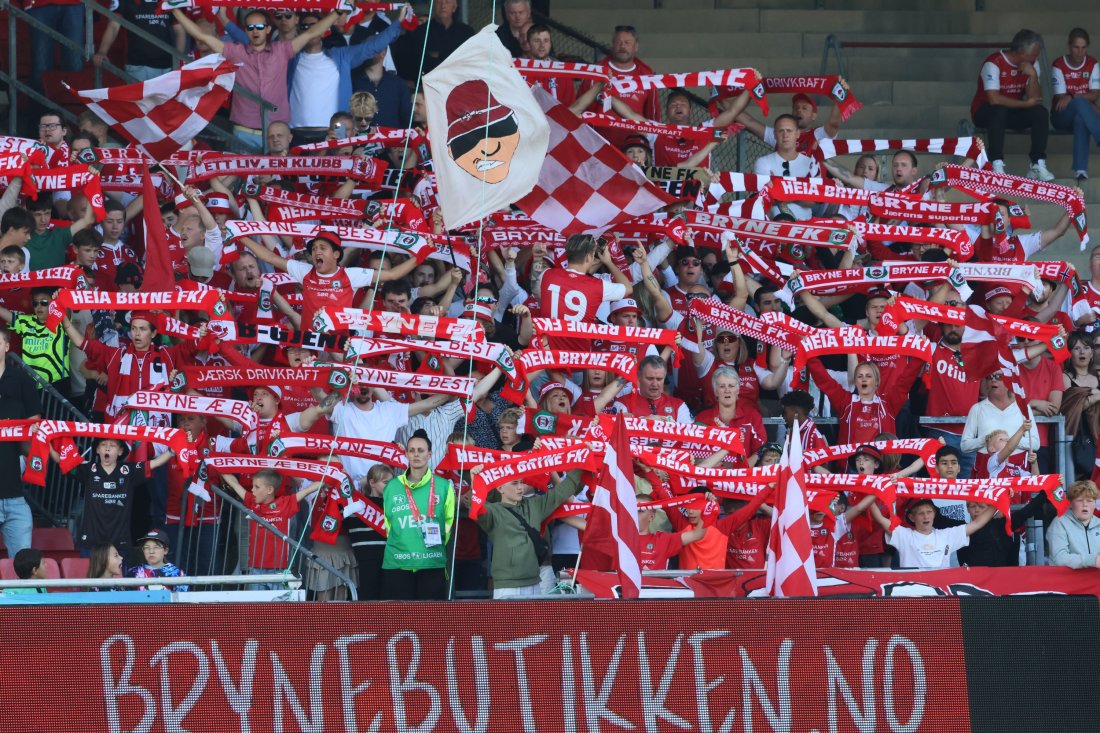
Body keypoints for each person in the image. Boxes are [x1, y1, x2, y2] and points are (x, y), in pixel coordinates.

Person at [172, 6, 346, 149]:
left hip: (276, 132)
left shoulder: (282, 50)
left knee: (275, 181)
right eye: (250, 27)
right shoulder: (235, 51)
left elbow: (310, 33)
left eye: (260, 27)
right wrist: (175, 11)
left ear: (269, 29)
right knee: (241, 183)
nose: (255, 31)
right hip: (243, 131)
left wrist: (337, 13)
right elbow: (202, 36)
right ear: (246, 31)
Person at [473, 467, 584, 598]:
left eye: (521, 482)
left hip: (535, 583)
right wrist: (475, 480)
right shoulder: (492, 511)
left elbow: (563, 491)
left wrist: (583, 463)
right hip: (506, 587)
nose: (520, 488)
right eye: (514, 483)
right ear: (499, 488)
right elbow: (474, 505)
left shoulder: (535, 505)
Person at [970, 28, 1055, 180]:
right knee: (999, 110)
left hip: (1012, 111)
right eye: (1034, 54)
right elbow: (994, 99)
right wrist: (1026, 104)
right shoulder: (994, 63)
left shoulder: (1032, 64)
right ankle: (996, 162)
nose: (1037, 57)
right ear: (1022, 52)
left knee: (1040, 113)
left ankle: (1037, 164)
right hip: (985, 112)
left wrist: (1033, 76)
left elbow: (1035, 99)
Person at [381, 430, 455, 600]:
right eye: (412, 450)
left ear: (429, 454)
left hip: (431, 562)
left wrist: (429, 548)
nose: (416, 455)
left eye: (421, 450)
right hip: (398, 563)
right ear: (406, 454)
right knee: (399, 622)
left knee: (430, 622)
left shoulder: (444, 486)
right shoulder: (392, 486)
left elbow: (448, 524)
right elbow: (389, 524)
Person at [222, 469, 323, 590]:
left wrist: (332, 475)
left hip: (280, 570)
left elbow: (308, 490)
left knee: (278, 608)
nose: (252, 490)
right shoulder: (252, 502)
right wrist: (216, 463)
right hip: (255, 569)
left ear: (269, 490)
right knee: (256, 608)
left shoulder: (285, 503)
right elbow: (234, 484)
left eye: (256, 487)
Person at [72, 437, 175, 556]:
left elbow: (155, 463)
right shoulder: (89, 469)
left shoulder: (128, 471)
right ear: (97, 450)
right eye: (104, 444)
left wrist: (172, 451)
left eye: (113, 445)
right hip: (91, 544)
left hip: (119, 544)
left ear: (120, 451)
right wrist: (47, 443)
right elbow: (63, 461)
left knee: (119, 574)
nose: (107, 448)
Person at [0, 329, 42, 558]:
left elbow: (35, 415)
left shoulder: (21, 378)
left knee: (24, 567)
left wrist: (22, 433)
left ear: (7, 347)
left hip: (15, 496)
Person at [869, 498, 995, 569]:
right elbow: (879, 518)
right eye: (921, 513)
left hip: (941, 592)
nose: (926, 516)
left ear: (934, 514)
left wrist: (998, 502)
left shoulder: (946, 535)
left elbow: (977, 524)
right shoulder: (904, 535)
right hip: (912, 593)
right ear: (912, 518)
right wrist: (868, 491)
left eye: (929, 512)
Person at [1050, 28, 1100, 182]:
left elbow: (1095, 94)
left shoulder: (1092, 64)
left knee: (1080, 118)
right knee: (1078, 103)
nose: (1080, 52)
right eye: (1076, 47)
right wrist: (1075, 98)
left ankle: (1080, 170)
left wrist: (1072, 96)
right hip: (1061, 116)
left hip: (1084, 115)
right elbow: (1060, 97)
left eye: (1083, 47)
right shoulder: (1058, 64)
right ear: (1069, 46)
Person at [394, 0, 474, 80]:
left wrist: (439, 55)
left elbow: (471, 61)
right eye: (439, 2)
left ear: (454, 7)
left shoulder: (466, 32)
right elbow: (416, 63)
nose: (443, 5)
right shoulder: (419, 32)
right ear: (433, 6)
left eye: (447, 2)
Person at [1047, 479, 1100, 568]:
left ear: (1095, 504)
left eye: (1089, 501)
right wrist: (1092, 560)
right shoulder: (1059, 523)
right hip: (1067, 581)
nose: (1085, 504)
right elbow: (1059, 559)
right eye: (1080, 500)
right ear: (1070, 503)